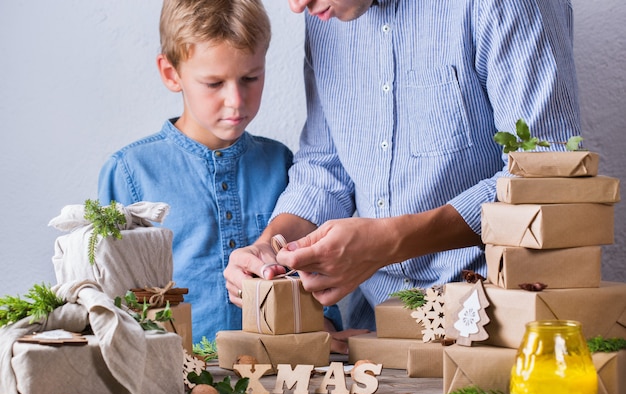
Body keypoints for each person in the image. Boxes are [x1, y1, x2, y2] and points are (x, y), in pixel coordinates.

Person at [224, 0, 581, 332]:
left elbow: (546, 176)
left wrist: (391, 242)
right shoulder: (325, 15)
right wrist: (270, 247)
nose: (297, 4)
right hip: (373, 332)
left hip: (497, 322)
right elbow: (326, 168)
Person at [98, 0, 294, 343]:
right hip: (175, 377)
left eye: (250, 77)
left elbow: (307, 275)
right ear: (171, 74)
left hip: (283, 372)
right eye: (214, 83)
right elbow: (109, 296)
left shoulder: (281, 162)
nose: (236, 99)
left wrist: (328, 328)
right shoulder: (130, 171)